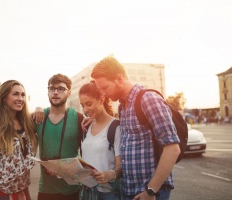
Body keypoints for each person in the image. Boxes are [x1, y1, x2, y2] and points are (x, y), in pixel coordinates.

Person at [90, 56, 181, 200]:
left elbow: (172, 149)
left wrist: (150, 191)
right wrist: (92, 119)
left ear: (119, 79)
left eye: (104, 88)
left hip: (150, 193)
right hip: (129, 191)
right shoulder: (122, 106)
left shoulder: (148, 99)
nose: (103, 93)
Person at [0, 80, 38, 200]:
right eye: (15, 94)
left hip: (22, 192)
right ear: (4, 98)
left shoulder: (27, 124)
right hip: (1, 194)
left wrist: (39, 108)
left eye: (23, 95)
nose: (20, 98)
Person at [36, 73, 83, 200]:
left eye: (61, 88)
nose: (55, 92)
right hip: (46, 190)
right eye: (52, 88)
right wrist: (37, 108)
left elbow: (87, 153)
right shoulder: (38, 118)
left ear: (69, 93)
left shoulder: (79, 118)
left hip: (72, 190)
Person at [79, 81, 122, 200]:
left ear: (101, 99)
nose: (86, 109)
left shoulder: (115, 127)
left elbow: (121, 167)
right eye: (83, 105)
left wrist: (110, 174)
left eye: (89, 104)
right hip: (87, 192)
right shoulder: (87, 126)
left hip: (108, 194)